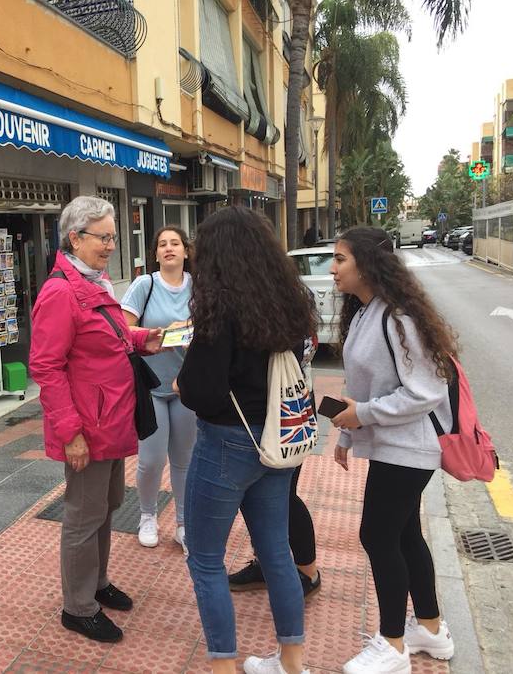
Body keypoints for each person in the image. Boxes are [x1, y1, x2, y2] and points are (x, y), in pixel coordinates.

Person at [176, 206, 316, 674]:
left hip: (226, 444)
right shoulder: (288, 302)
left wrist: (183, 383)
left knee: (205, 559)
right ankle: (292, 662)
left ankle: (223, 666)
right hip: (277, 440)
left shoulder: (220, 308)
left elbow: (202, 391)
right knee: (276, 552)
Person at [29, 195, 163, 643]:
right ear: (75, 238)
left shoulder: (94, 281)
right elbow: (46, 367)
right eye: (103, 238)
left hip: (111, 420)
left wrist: (143, 340)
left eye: (112, 237)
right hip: (88, 426)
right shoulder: (60, 292)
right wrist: (71, 434)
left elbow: (110, 337)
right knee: (83, 516)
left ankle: (97, 583)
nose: (111, 245)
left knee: (106, 507)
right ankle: (78, 607)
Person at [330, 227, 456, 674]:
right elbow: (362, 388)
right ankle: (431, 630)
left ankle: (393, 646)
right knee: (404, 536)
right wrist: (348, 433)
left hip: (409, 448)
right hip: (392, 446)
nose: (332, 268)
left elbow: (425, 391)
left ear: (367, 264)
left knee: (377, 537)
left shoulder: (399, 318)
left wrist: (362, 416)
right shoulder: (366, 312)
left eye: (340, 259)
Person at [120, 226, 196, 554]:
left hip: (187, 386)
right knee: (151, 460)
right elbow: (123, 330)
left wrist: (191, 331)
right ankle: (147, 516)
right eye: (162, 244)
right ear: (155, 254)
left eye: (175, 243)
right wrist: (162, 333)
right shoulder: (145, 285)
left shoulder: (199, 287)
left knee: (184, 460)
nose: (169, 248)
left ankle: (183, 523)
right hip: (150, 386)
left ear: (186, 251)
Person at [227, 335, 321, 598]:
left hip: (286, 405)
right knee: (257, 498)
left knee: (285, 496)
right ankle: (264, 563)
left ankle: (308, 573)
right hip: (271, 404)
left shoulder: (287, 310)